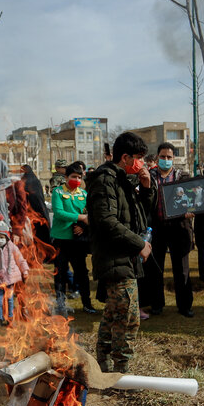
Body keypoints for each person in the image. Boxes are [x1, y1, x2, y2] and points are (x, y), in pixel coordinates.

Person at [86, 131, 154, 373]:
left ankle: (102, 362)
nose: (143, 163)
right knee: (128, 316)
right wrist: (139, 244)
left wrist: (146, 188)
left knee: (115, 311)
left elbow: (138, 217)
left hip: (124, 257)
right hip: (114, 257)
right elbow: (107, 221)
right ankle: (120, 370)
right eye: (139, 158)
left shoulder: (123, 179)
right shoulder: (105, 180)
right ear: (125, 157)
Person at [138, 142, 195, 317]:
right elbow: (143, 200)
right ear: (157, 157)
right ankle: (156, 304)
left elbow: (192, 198)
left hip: (179, 228)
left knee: (182, 269)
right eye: (163, 157)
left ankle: (185, 306)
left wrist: (191, 210)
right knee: (155, 268)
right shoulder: (149, 176)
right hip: (157, 228)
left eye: (169, 157)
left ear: (174, 158)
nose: (166, 160)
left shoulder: (182, 176)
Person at [50, 162, 95, 314]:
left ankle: (87, 303)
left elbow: (91, 215)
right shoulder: (57, 192)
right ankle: (61, 304)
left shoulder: (84, 194)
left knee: (82, 273)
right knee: (60, 273)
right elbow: (59, 213)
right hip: (61, 239)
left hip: (77, 241)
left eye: (79, 177)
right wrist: (81, 218)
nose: (76, 179)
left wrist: (82, 225)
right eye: (73, 176)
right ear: (65, 177)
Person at [20, 164, 52, 249]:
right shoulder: (35, 181)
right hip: (38, 210)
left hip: (33, 211)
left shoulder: (28, 182)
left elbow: (34, 197)